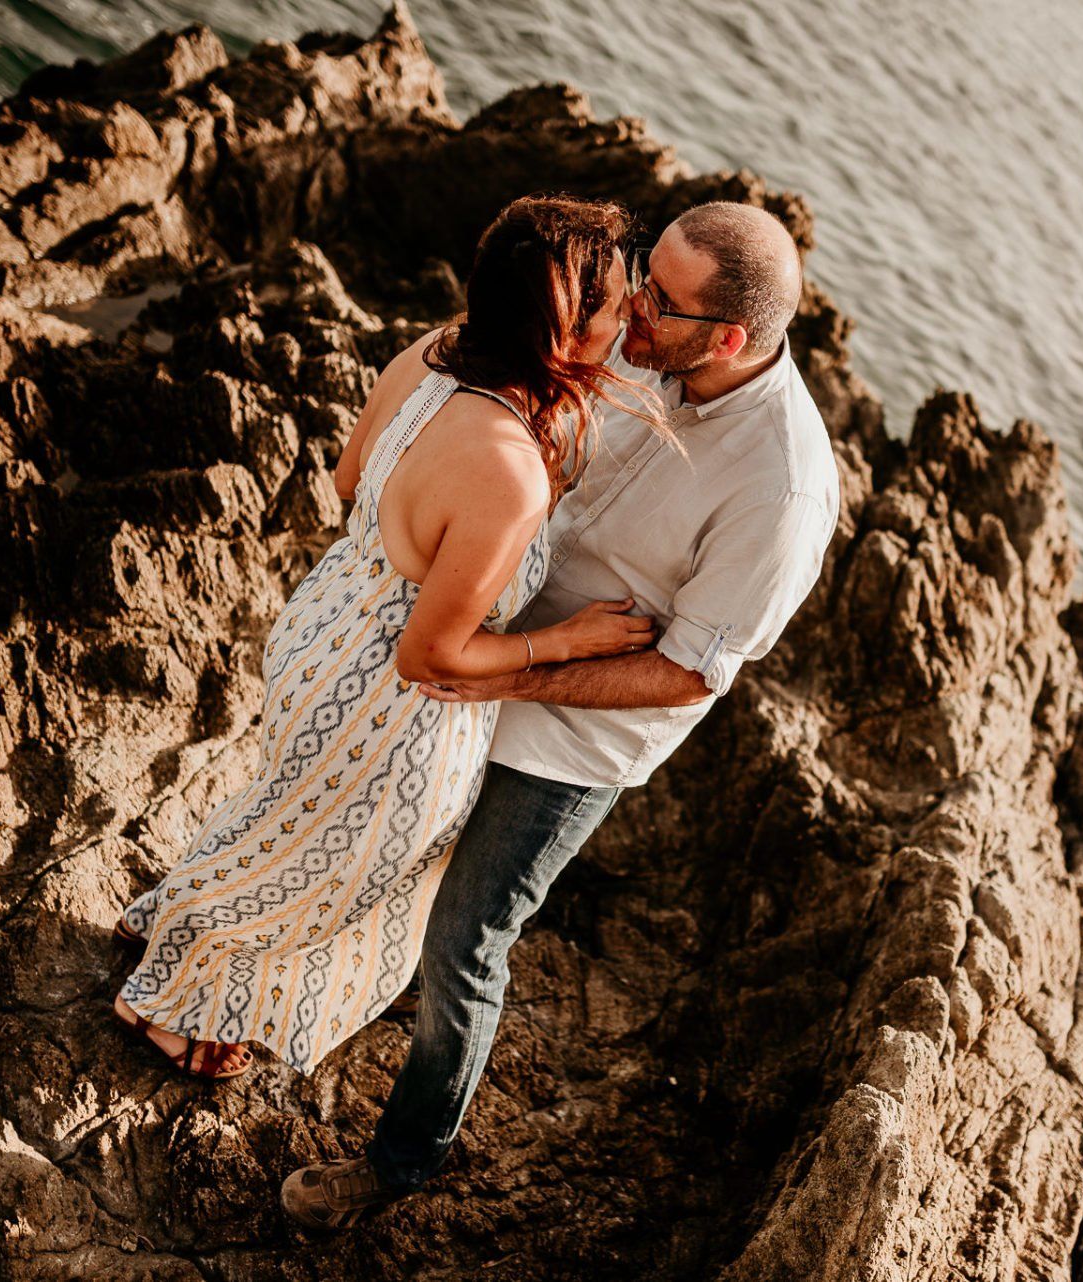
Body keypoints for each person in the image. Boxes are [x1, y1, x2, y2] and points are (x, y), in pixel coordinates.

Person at [281, 201, 841, 1229]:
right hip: (466, 650)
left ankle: (403, 1162)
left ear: (727, 339)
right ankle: (288, 1005)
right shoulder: (634, 332)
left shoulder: (783, 491)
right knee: (368, 850)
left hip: (567, 738)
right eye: (643, 272)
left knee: (464, 940)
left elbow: (689, 673)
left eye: (661, 300)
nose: (632, 304)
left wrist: (510, 676)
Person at [107, 195, 666, 1081]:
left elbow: (347, 477)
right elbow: (430, 655)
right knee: (323, 884)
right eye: (617, 302)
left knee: (281, 825)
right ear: (565, 331)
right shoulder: (510, 472)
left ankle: (173, 937)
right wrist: (565, 640)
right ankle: (163, 1005)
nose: (633, 311)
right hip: (389, 707)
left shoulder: (435, 354)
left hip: (324, 629)